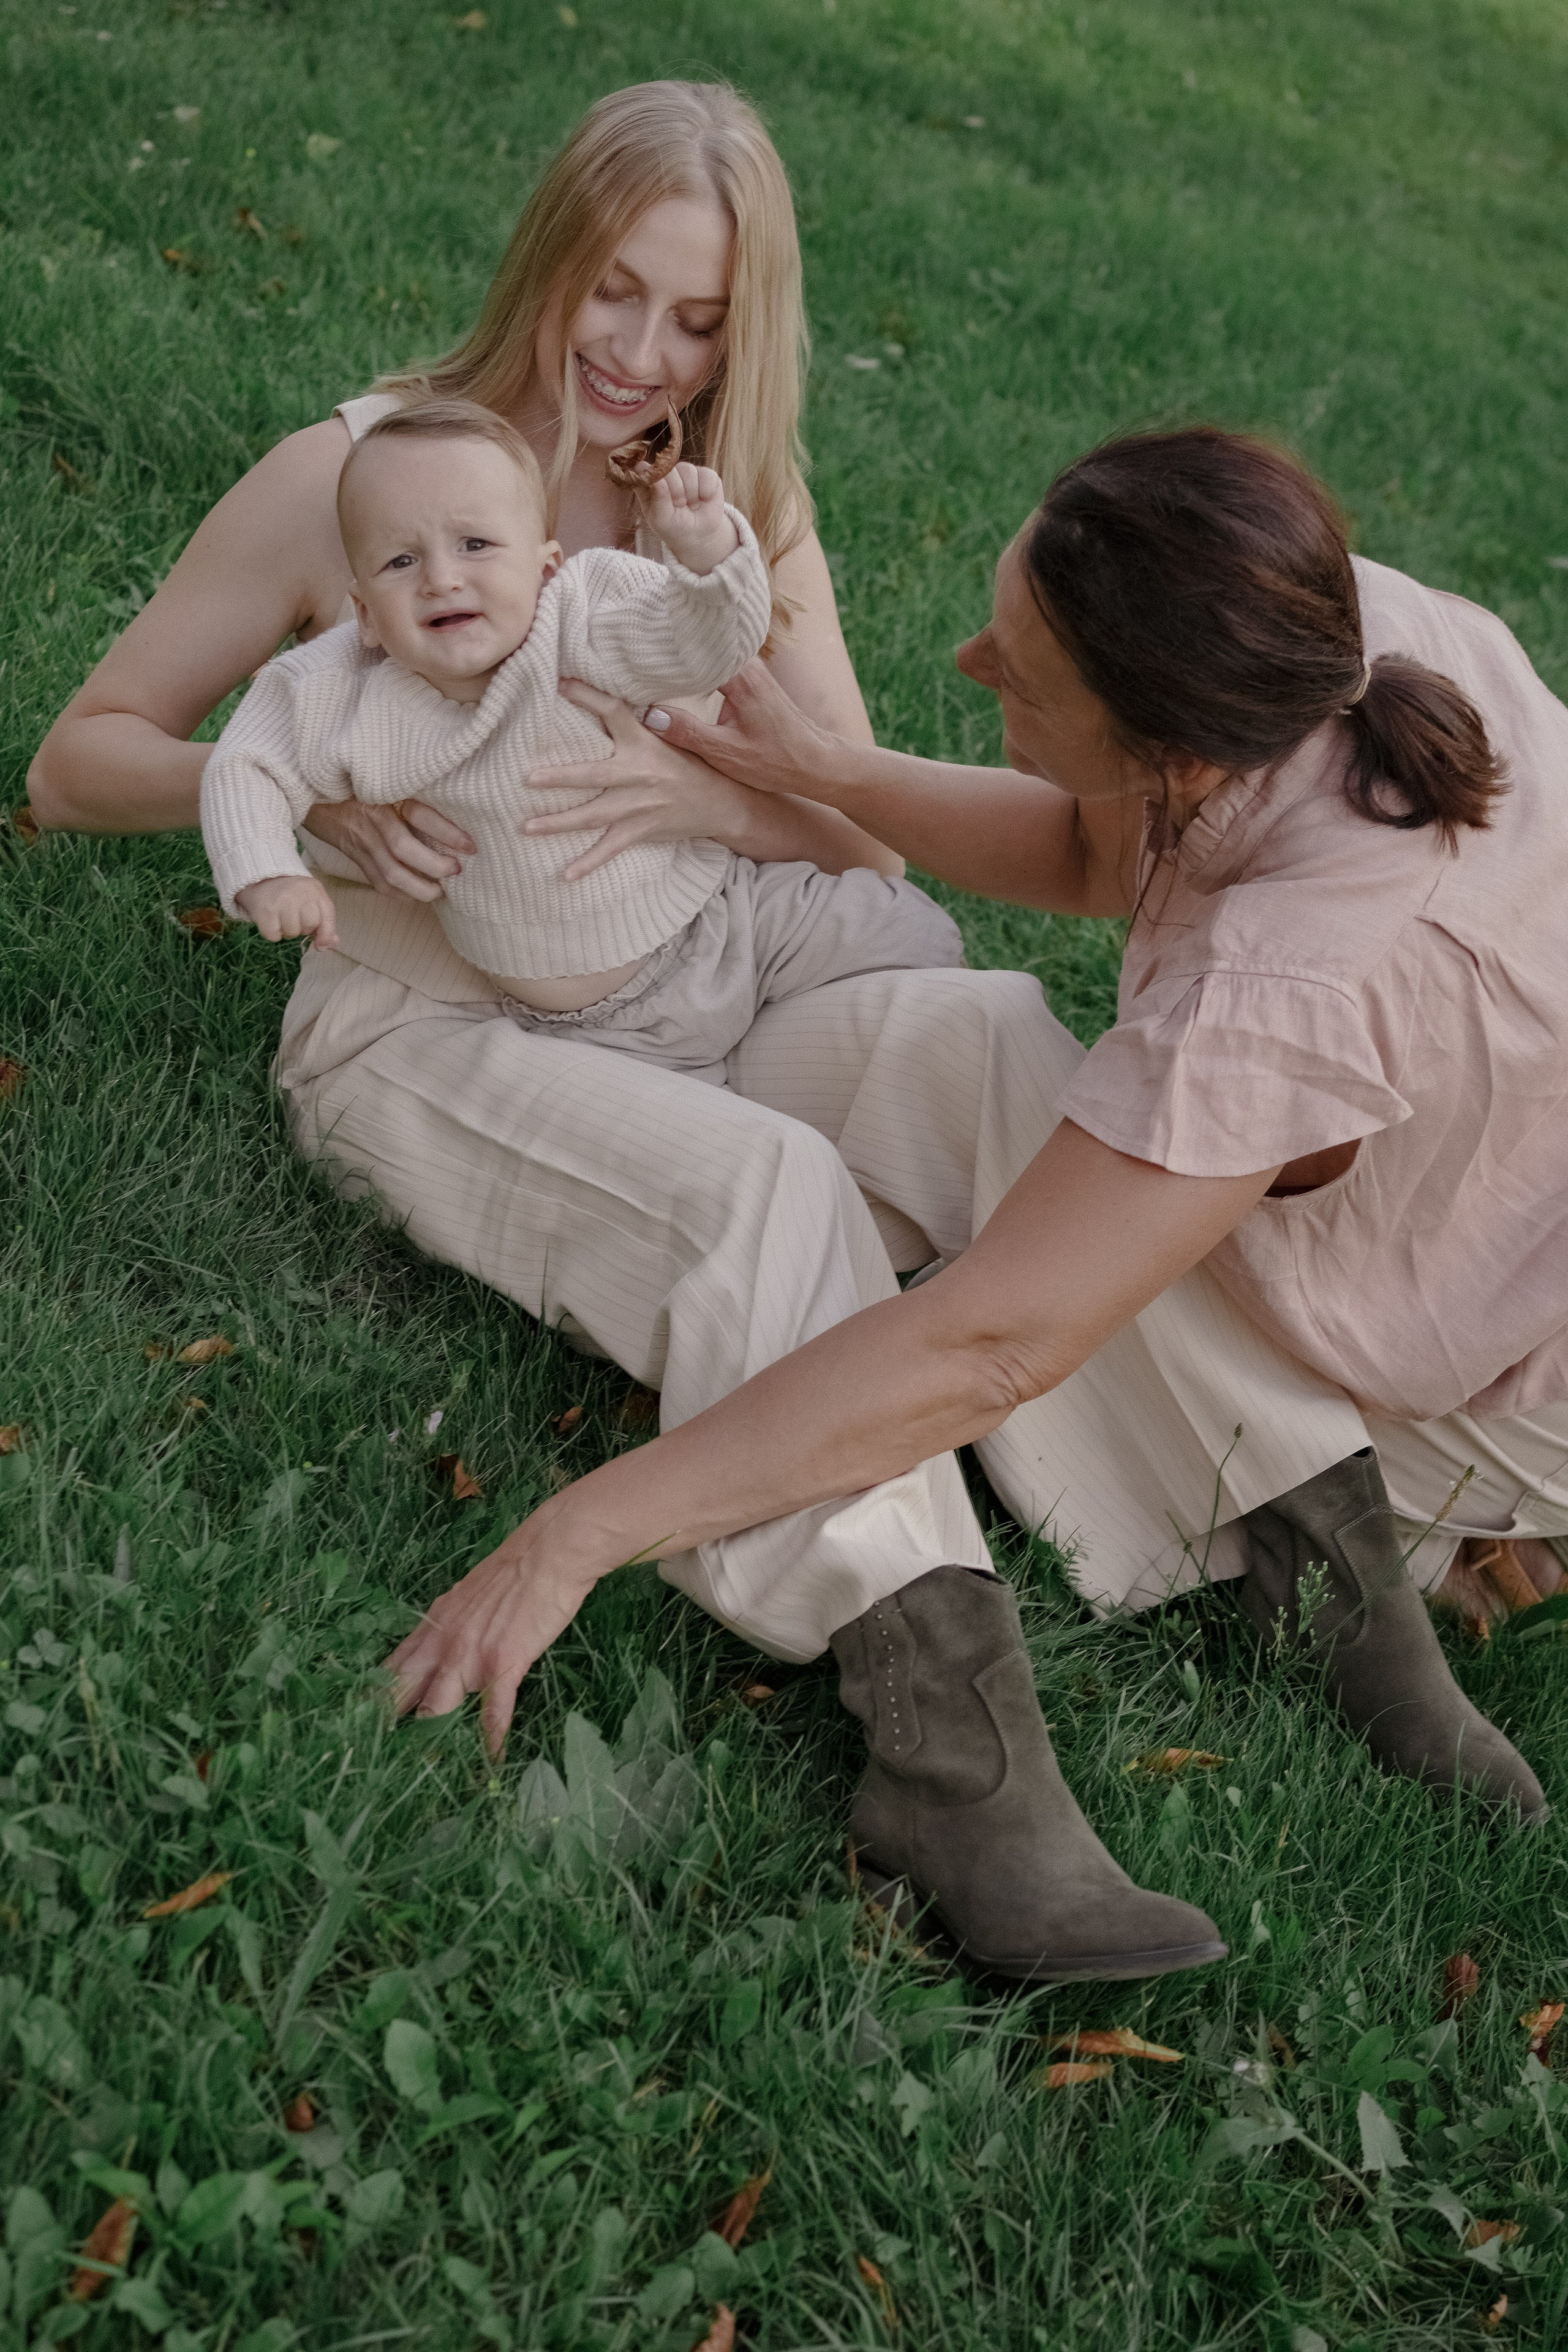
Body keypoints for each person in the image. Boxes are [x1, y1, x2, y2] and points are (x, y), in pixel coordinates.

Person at [34, 80, 1383, 1989]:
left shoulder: (725, 508)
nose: (641, 353)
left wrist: (700, 803)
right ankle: (947, 1741)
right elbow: (74, 759)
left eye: (697, 321)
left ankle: (1311, 1559)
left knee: (993, 1025)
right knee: (760, 1193)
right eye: (616, 292)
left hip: (710, 968)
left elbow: (847, 809)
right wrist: (293, 810)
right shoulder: (366, 476)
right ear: (548, 258)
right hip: (435, 1022)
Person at [383, 426, 1567, 1961]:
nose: (959, 660)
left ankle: (1330, 1558)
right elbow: (1101, 858)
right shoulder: (1318, 624)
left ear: (1173, 749)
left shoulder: (1282, 979)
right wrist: (823, 772)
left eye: (1013, 675)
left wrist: (570, 1534)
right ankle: (1325, 1576)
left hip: (1492, 1356)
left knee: (1010, 1249)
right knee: (986, 1038)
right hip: (1458, 1202)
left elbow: (989, 1344)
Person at [199, 398, 958, 1081]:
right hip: (589, 1024)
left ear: (546, 567)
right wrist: (268, 872)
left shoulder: (579, 616)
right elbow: (246, 764)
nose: (441, 579)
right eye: (401, 561)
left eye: (475, 545)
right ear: (362, 612)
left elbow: (699, 648)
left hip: (730, 918)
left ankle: (937, 1039)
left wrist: (707, 559)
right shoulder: (339, 686)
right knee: (719, 1128)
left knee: (906, 933)